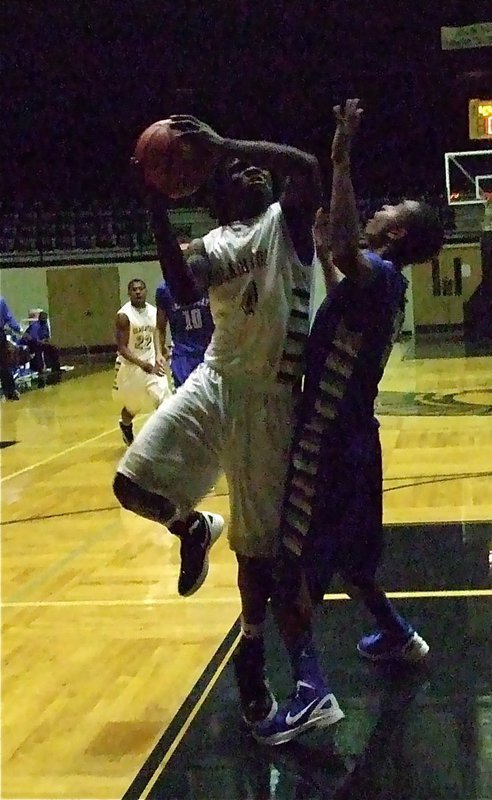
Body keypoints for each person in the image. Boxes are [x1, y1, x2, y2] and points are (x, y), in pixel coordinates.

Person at [113, 114, 320, 728]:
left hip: (270, 401)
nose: (253, 169)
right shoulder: (211, 246)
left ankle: (251, 660)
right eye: (236, 169)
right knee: (131, 484)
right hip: (215, 379)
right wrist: (155, 200)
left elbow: (306, 166)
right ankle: (193, 524)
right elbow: (178, 283)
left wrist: (227, 143)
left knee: (257, 558)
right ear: (212, 193)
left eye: (253, 165)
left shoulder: (287, 223)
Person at [254, 99, 445, 745]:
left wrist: (339, 159)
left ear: (394, 235)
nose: (379, 208)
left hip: (326, 441)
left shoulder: (380, 273)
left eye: (389, 211)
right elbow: (336, 254)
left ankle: (310, 691)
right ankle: (394, 634)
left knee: (291, 573)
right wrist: (323, 243)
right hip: (357, 439)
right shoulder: (384, 285)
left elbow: (342, 247)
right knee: (355, 561)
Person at [113, 278, 172, 445]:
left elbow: (158, 333)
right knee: (132, 409)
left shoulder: (154, 312)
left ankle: (164, 442)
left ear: (146, 291)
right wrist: (141, 364)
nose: (138, 292)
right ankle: (125, 426)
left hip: (153, 365)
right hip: (132, 368)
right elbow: (122, 348)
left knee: (165, 401)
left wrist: (163, 351)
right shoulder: (124, 316)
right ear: (129, 293)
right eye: (134, 289)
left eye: (141, 288)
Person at [155, 249, 214, 389]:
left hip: (209, 353)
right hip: (183, 357)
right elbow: (160, 327)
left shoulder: (208, 285)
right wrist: (158, 352)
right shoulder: (165, 290)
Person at [22, 311, 62, 382]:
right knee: (38, 349)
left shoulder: (45, 325)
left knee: (54, 348)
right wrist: (43, 342)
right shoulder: (35, 326)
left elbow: (47, 337)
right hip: (31, 343)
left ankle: (55, 367)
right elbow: (33, 338)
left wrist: (48, 342)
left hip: (41, 342)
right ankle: (40, 369)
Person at [0, 296, 22, 400]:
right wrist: (19, 329)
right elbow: (9, 318)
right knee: (3, 364)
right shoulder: (1, 300)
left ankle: (10, 391)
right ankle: (10, 391)